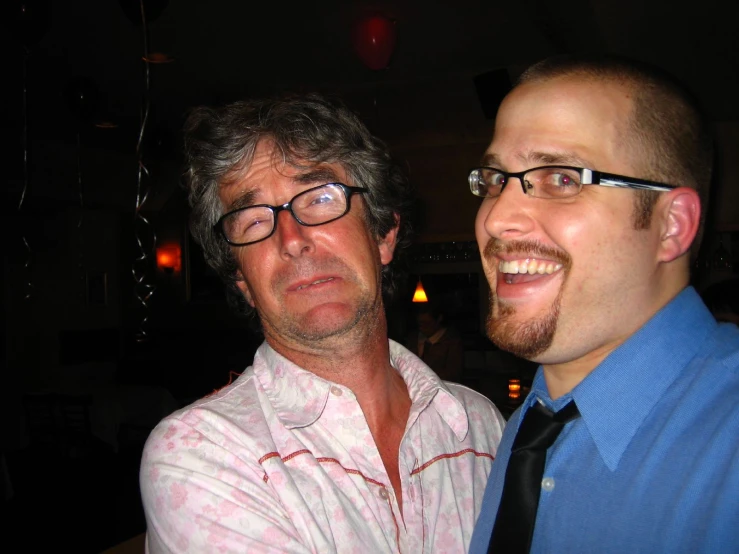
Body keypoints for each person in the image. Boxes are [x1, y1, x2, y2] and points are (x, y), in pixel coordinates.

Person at [139, 93, 505, 553]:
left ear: (384, 235)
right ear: (242, 281)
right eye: (253, 221)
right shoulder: (200, 454)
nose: (292, 239)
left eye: (320, 198)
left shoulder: (480, 427)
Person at [468, 54, 739, 553]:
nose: (497, 217)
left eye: (563, 179)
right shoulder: (524, 425)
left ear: (671, 224)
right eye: (494, 179)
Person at [404, 302, 465, 382]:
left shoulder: (451, 342)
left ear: (438, 319)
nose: (422, 328)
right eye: (420, 324)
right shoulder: (413, 339)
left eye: (427, 324)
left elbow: (453, 373)